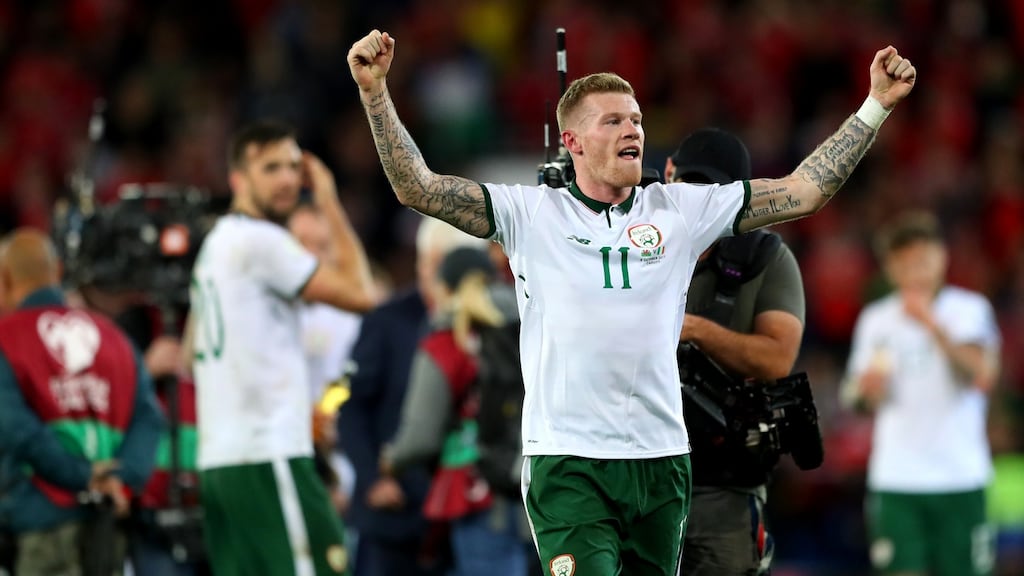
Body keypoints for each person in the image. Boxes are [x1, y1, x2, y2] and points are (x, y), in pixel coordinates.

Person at [348, 29, 916, 575]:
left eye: (637, 120)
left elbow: (804, 191)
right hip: (568, 461)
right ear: (572, 142)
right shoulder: (529, 214)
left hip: (661, 458)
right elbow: (417, 187)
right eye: (613, 120)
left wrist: (875, 106)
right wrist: (375, 94)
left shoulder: (679, 210)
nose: (633, 130)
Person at [189, 119, 377, 576]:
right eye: (270, 168)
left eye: (294, 167)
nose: (287, 179)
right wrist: (328, 198)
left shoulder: (214, 245)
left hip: (220, 461)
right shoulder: (261, 240)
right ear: (238, 179)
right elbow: (362, 293)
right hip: (267, 454)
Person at [665, 128, 805, 575]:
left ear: (737, 197)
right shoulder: (631, 243)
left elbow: (777, 360)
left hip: (721, 482)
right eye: (690, 184)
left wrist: (694, 330)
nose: (698, 200)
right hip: (636, 471)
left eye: (712, 190)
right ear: (668, 175)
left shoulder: (763, 257)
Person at [841, 211, 1000, 576]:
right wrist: (866, 392)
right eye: (905, 263)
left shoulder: (969, 310)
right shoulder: (876, 319)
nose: (915, 272)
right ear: (890, 269)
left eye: (923, 260)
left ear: (942, 257)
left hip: (960, 476)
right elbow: (855, 398)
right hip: (897, 478)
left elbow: (982, 374)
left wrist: (930, 323)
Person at [0, 228, 165, 576]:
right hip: (108, 523)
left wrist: (82, 477)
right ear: (58, 270)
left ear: (4, 277)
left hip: (39, 520)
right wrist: (120, 480)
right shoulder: (114, 337)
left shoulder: (6, 339)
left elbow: (14, 427)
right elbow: (150, 418)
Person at [339, 217, 485, 576]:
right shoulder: (386, 320)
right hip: (394, 513)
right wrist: (372, 477)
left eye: (444, 263)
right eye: (428, 261)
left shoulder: (490, 330)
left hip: (462, 513)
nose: (433, 274)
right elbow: (353, 407)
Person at [379, 246, 529, 576]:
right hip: (534, 484)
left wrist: (389, 461)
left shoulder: (447, 340)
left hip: (476, 493)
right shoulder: (528, 324)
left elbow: (421, 436)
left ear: (445, 288)